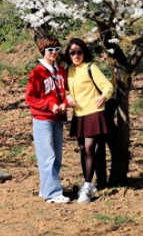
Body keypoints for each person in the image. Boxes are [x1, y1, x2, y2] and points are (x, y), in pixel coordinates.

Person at [64, 38, 114, 204]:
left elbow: (107, 86)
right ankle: (88, 182)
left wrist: (104, 96)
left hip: (93, 112)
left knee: (89, 147)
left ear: (84, 52)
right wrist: (68, 96)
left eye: (79, 52)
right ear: (68, 54)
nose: (76, 55)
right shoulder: (68, 71)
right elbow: (64, 89)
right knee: (82, 149)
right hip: (79, 114)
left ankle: (87, 185)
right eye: (72, 52)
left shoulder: (91, 68)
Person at [25, 36, 70, 204]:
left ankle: (46, 188)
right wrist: (49, 106)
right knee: (47, 155)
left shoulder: (61, 71)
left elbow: (65, 92)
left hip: (57, 118)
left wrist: (64, 104)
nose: (53, 53)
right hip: (42, 119)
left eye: (56, 49)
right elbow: (30, 98)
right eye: (50, 50)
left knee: (57, 156)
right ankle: (52, 193)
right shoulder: (37, 73)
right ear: (43, 51)